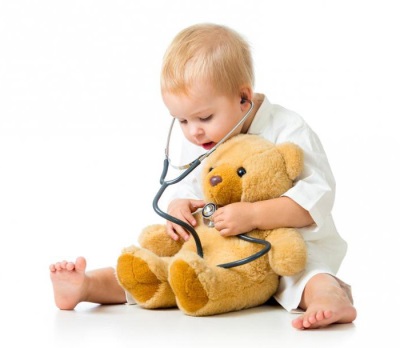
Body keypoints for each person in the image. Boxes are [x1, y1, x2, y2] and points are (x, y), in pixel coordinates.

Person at [49, 23, 357, 330]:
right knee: (157, 270)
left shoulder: (289, 129)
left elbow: (314, 200)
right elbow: (185, 190)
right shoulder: (202, 139)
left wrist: (253, 215)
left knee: (308, 275)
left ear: (243, 98)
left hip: (283, 251)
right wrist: (178, 209)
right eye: (181, 120)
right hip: (222, 249)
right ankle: (87, 286)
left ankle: (331, 298)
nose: (193, 131)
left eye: (204, 117)